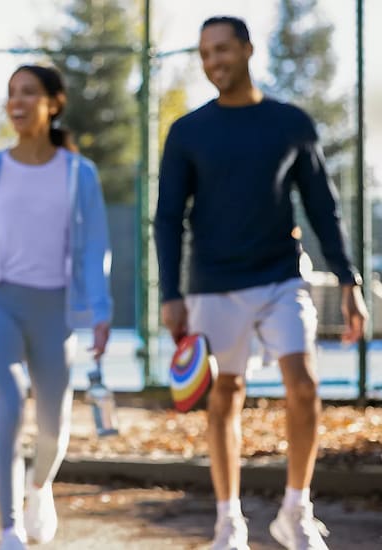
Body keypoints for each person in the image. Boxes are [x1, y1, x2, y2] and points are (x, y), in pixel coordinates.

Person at [154, 16, 368, 550]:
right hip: (212, 285)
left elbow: (323, 207)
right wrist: (170, 295)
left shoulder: (290, 123)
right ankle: (229, 522)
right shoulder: (187, 132)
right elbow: (166, 217)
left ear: (248, 49)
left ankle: (295, 511)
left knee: (305, 387)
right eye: (204, 53)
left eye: (222, 50)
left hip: (279, 278)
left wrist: (349, 279)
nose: (213, 62)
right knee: (225, 395)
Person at [0, 64, 113, 550]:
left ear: (54, 103)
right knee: (11, 407)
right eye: (11, 93)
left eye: (29, 93)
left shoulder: (79, 173)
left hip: (55, 309)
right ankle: (9, 526)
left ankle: (40, 488)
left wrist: (100, 309)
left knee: (55, 426)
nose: (17, 102)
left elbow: (95, 246)